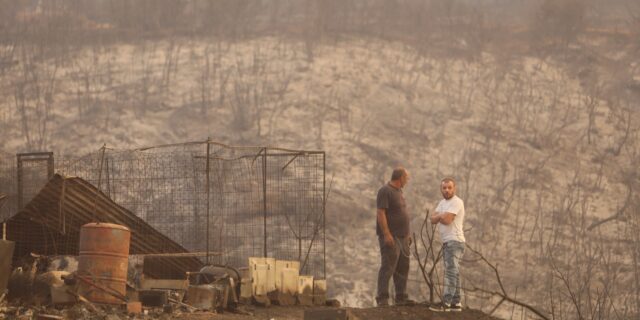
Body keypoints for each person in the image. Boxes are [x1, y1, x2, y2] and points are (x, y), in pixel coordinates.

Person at [375, 167, 414, 306]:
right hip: (391, 237)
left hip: (403, 237)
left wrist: (407, 234)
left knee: (403, 267)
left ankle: (401, 297)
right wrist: (386, 234)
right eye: (406, 178)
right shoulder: (385, 191)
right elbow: (381, 213)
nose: (407, 180)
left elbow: (402, 213)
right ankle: (382, 298)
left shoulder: (399, 192)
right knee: (388, 266)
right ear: (400, 178)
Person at [429, 177, 466, 312]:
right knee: (454, 272)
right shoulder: (442, 203)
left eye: (449, 187)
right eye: (444, 188)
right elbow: (432, 219)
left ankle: (446, 303)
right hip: (447, 241)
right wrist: (441, 216)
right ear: (441, 189)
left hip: (455, 241)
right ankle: (456, 303)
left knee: (450, 272)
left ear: (454, 188)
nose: (447, 190)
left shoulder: (457, 202)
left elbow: (447, 220)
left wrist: (441, 216)